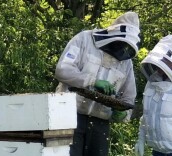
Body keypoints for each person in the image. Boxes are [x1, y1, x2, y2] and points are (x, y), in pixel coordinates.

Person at [55, 12, 140, 156]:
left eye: (126, 47)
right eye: (121, 44)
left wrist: (122, 113)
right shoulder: (84, 39)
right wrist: (92, 81)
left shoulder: (126, 63)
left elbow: (128, 98)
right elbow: (62, 70)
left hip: (100, 124)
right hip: (68, 115)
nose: (122, 50)